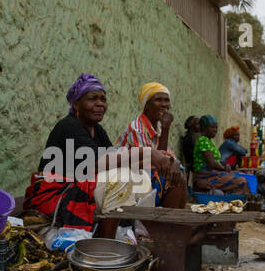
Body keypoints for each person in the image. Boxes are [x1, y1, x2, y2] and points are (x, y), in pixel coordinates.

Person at [24, 73, 116, 233]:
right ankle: (106, 247)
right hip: (52, 194)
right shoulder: (69, 126)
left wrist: (154, 159)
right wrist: (147, 155)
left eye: (103, 99)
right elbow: (98, 163)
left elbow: (115, 157)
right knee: (113, 184)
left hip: (74, 189)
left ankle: (107, 243)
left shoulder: (97, 130)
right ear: (76, 105)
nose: (100, 104)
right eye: (92, 98)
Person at [115, 83, 188, 208]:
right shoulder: (137, 128)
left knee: (179, 173)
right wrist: (166, 130)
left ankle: (173, 221)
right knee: (176, 178)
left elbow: (165, 156)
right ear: (146, 106)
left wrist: (175, 162)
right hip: (129, 176)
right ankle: (165, 222)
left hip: (147, 173)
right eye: (158, 100)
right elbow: (155, 163)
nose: (164, 104)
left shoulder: (157, 126)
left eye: (166, 100)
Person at [192, 115, 251, 194]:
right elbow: (211, 163)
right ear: (204, 128)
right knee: (241, 180)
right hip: (206, 175)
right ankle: (233, 202)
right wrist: (224, 168)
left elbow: (216, 161)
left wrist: (225, 165)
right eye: (212, 127)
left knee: (243, 175)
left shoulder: (210, 141)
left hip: (214, 172)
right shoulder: (203, 140)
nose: (215, 130)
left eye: (216, 127)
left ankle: (234, 201)